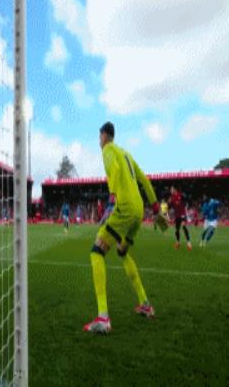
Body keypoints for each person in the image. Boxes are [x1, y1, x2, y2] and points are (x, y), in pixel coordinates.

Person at [84, 122, 167, 334]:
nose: (99, 141)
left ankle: (103, 317)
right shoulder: (127, 154)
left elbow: (114, 169)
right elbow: (144, 180)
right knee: (122, 251)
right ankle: (145, 303)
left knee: (96, 252)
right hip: (138, 210)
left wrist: (112, 199)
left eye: (99, 137)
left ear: (104, 136)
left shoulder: (108, 150)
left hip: (124, 207)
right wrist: (155, 208)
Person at [169, 186, 192, 251]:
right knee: (177, 230)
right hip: (177, 215)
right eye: (170, 190)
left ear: (175, 189)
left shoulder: (181, 195)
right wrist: (169, 203)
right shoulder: (172, 198)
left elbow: (187, 200)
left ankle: (188, 243)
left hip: (182, 214)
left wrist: (186, 207)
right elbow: (170, 206)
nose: (170, 191)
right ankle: (178, 242)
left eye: (171, 189)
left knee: (183, 226)